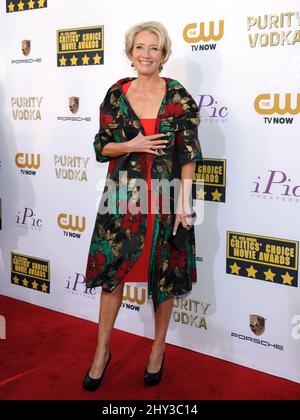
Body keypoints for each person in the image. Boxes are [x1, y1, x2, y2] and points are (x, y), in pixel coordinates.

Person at [83, 21, 202, 391]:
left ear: (164, 55)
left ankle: (158, 348)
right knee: (112, 275)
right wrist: (132, 145)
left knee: (163, 277)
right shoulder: (116, 96)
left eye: (154, 48)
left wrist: (183, 203)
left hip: (166, 200)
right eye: (139, 47)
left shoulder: (179, 97)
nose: (146, 54)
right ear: (130, 52)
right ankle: (102, 351)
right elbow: (102, 146)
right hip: (122, 200)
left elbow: (189, 155)